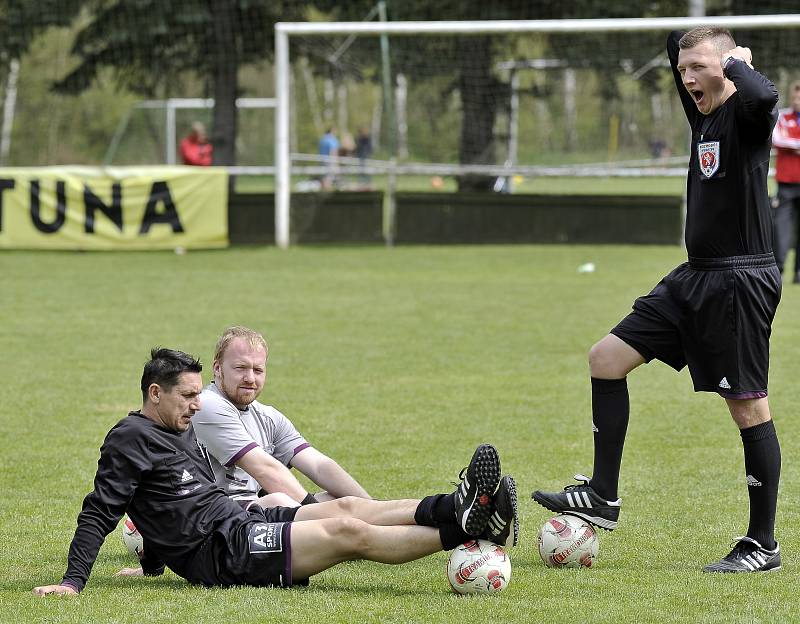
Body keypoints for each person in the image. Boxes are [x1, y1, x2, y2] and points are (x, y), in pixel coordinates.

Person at [533, 28, 782, 574]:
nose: (688, 77)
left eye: (700, 67)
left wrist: (734, 61)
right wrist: (702, 52)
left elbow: (764, 96)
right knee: (606, 357)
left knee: (747, 405)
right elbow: (677, 43)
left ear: (727, 66)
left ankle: (762, 544)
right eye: (683, 68)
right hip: (694, 277)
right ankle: (603, 495)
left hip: (740, 280)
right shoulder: (703, 114)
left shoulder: (745, 115)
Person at [33, 348, 518, 596]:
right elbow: (103, 510)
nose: (197, 404)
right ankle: (464, 527)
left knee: (345, 505)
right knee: (347, 531)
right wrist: (74, 581)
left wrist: (150, 566)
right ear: (154, 394)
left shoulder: (178, 427)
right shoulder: (128, 439)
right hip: (223, 555)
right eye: (187, 396)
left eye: (199, 393)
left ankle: (462, 504)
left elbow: (165, 506)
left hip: (238, 524)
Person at [192, 326, 369, 510]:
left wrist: (371, 506)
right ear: (218, 368)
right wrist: (314, 512)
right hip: (219, 516)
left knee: (339, 501)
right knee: (280, 501)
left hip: (255, 509)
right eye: (241, 368)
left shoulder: (267, 416)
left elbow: (319, 466)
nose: (250, 378)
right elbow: (266, 470)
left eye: (258, 370)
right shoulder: (207, 406)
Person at [771, 82, 800, 283]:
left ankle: (799, 273)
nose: (798, 101)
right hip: (786, 184)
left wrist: (793, 145)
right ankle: (777, 270)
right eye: (796, 97)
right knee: (781, 229)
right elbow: (777, 139)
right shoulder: (782, 116)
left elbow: (787, 142)